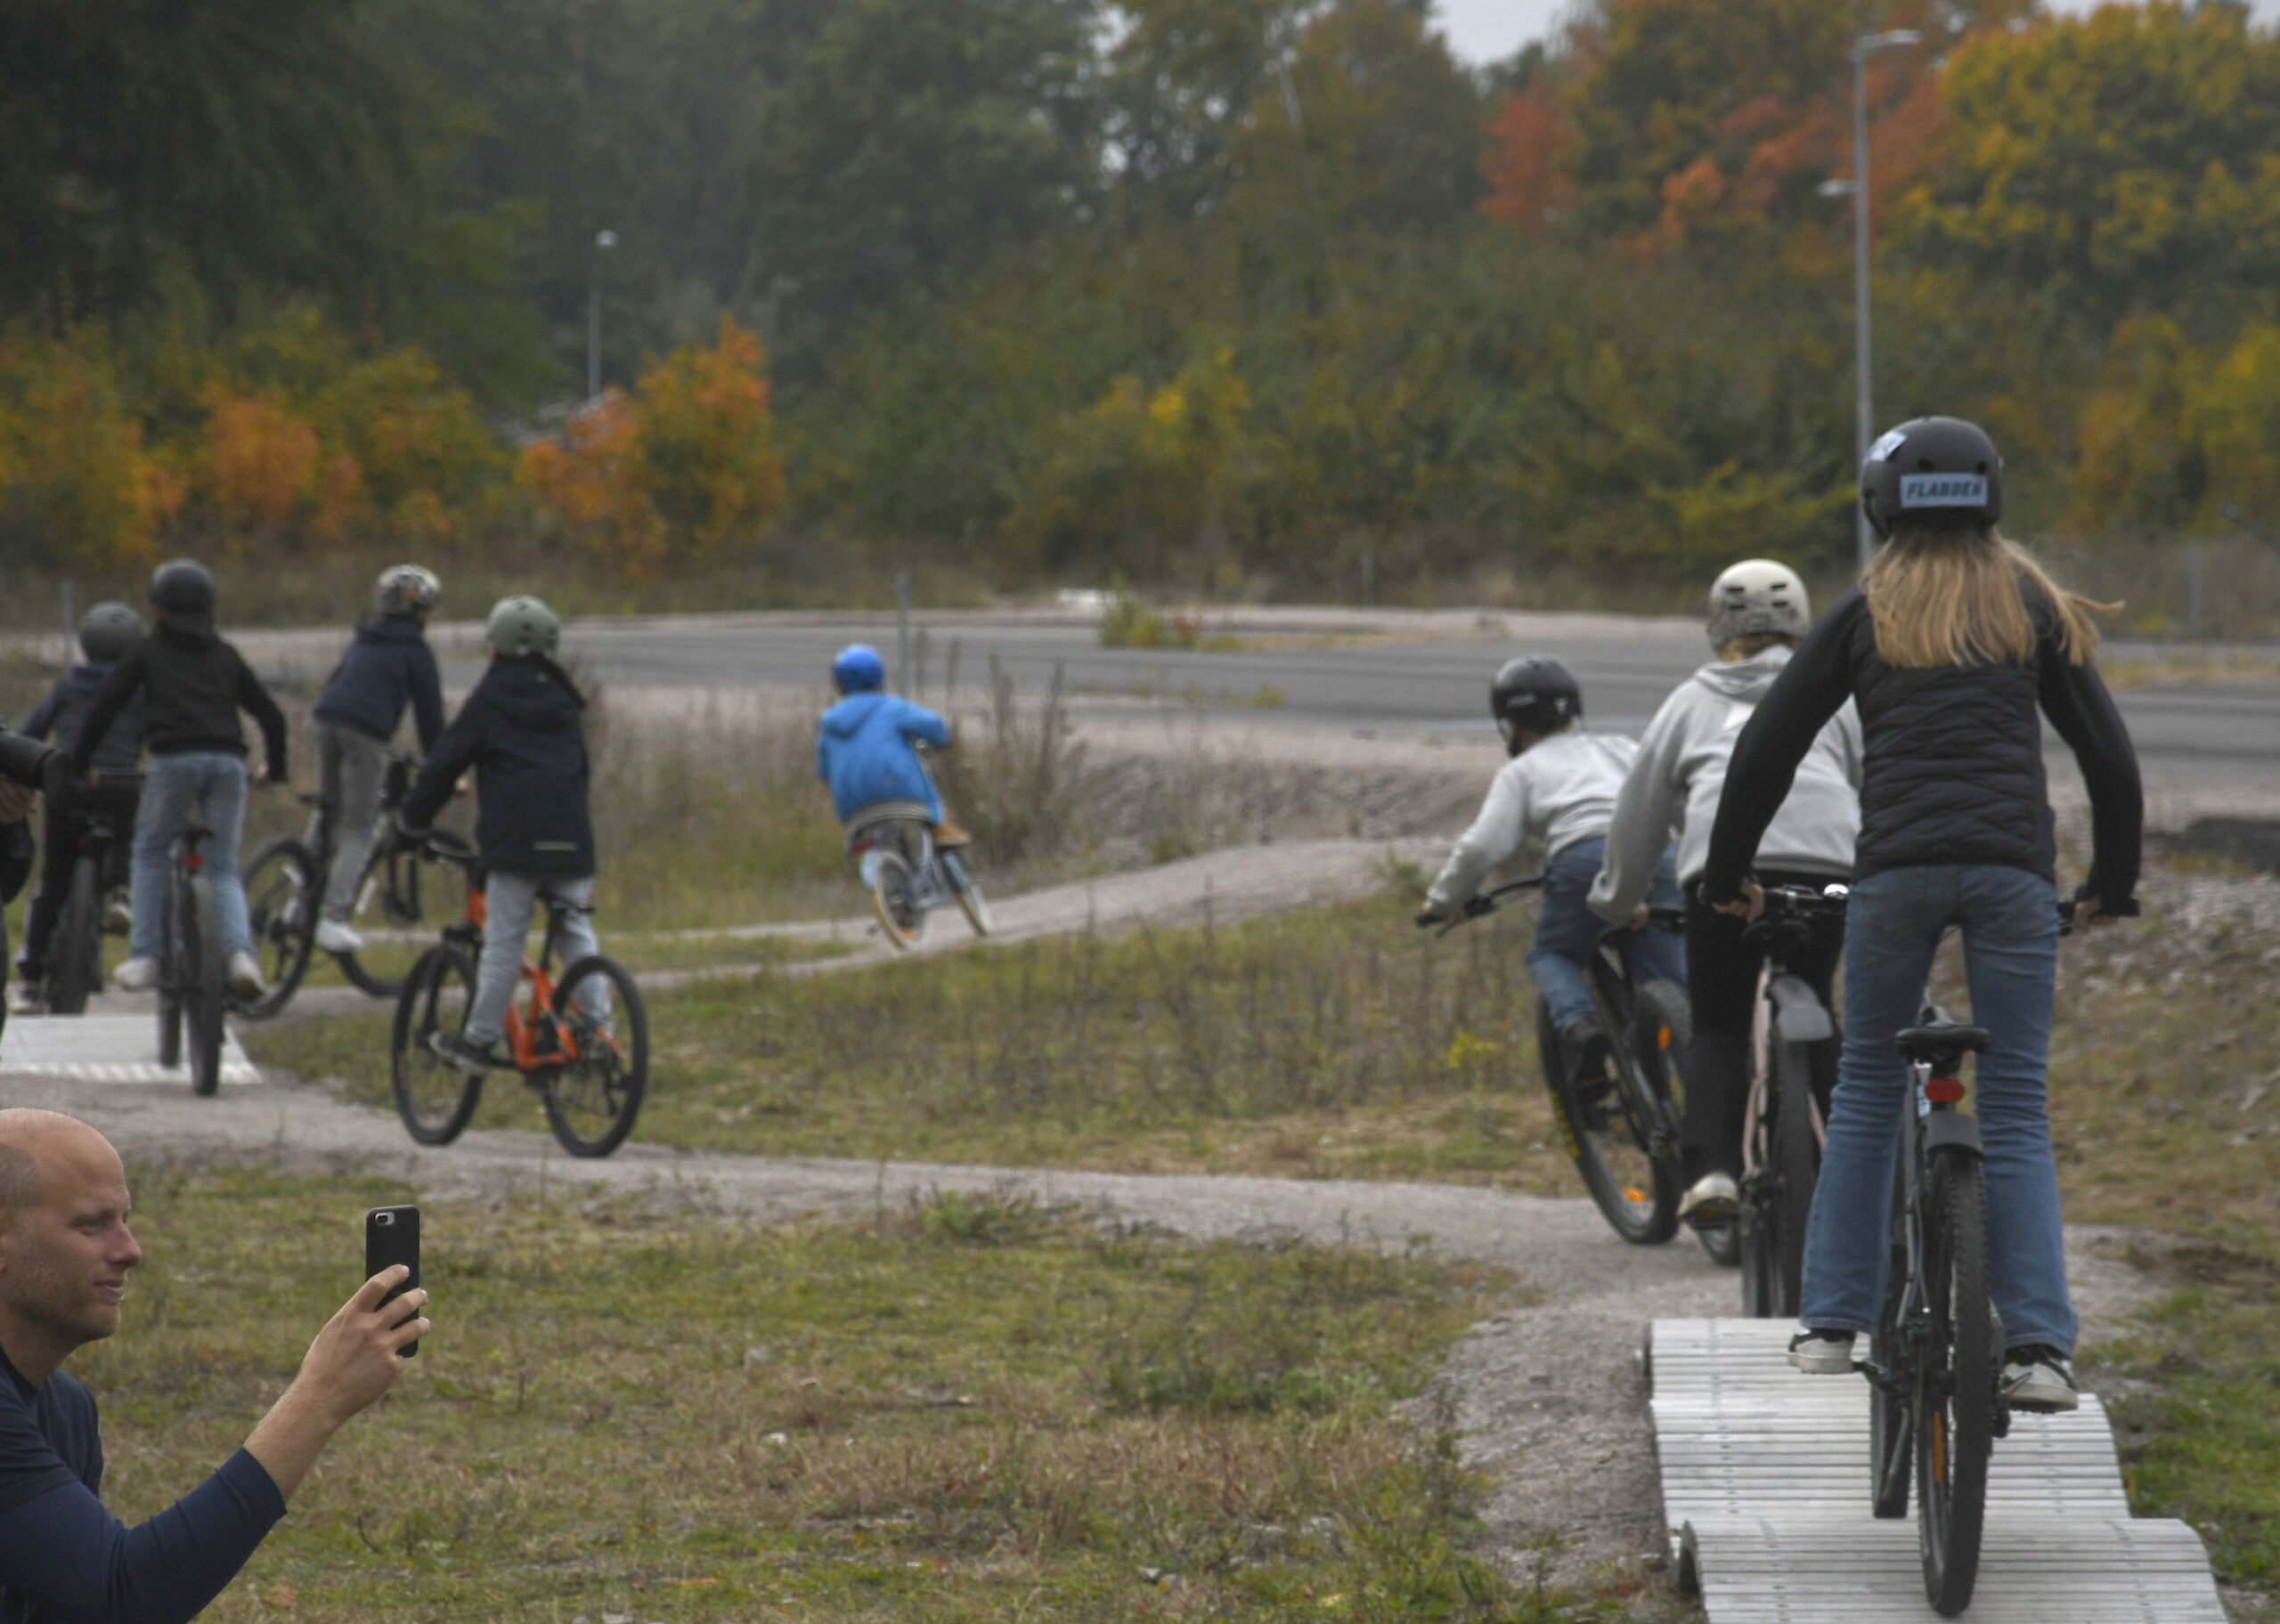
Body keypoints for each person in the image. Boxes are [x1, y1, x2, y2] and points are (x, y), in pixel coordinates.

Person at [1701, 416, 2141, 1413]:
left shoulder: (1867, 612)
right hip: (2012, 879)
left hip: (1895, 878)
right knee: (2016, 1105)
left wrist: (1729, 874)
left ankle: (1829, 1324)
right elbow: (2110, 763)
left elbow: (1765, 749)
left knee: (1863, 1089)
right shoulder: (2028, 607)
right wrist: (2111, 887)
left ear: (1879, 507)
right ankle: (2037, 1350)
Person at [0, 1107, 430, 1622]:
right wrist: (318, 1399)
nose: (131, 1251)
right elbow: (121, 1595)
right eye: (93, 1225)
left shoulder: (65, 1410)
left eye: (125, 1220)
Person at [1588, 561, 1862, 1224]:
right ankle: (1853, 1171)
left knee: (1717, 1024)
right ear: (1802, 622)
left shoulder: (1691, 700)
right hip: (1829, 861)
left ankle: (1710, 1173)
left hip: (1721, 870)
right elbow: (1872, 780)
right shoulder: (1839, 695)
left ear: (1717, 627)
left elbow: (1640, 811)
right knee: (1818, 1006)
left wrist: (1618, 899)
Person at [1415, 656, 1686, 1089]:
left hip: (1584, 860)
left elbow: (1483, 846)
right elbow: (1670, 798)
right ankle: (1714, 1126)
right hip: (1657, 854)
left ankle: (1582, 1027)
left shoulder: (1520, 772)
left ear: (1511, 725)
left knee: (1552, 954)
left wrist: (1442, 901)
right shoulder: (1619, 746)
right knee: (1676, 995)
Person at [397, 595, 604, 1074]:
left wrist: (413, 822)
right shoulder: (567, 701)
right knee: (577, 934)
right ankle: (601, 1032)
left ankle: (477, 1043)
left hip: (516, 844)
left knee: (504, 943)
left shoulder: (491, 699)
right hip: (573, 839)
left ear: (497, 647)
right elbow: (582, 772)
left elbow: (444, 764)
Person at [70, 561, 289, 1000]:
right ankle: (240, 956)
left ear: (156, 610)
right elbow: (271, 715)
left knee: (150, 852)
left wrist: (78, 762)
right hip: (227, 764)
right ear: (210, 610)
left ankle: (147, 955)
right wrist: (277, 768)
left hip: (173, 763)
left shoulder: (147, 652)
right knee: (222, 866)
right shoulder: (226, 655)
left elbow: (105, 707)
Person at [12, 604, 149, 1015]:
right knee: (126, 829)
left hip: (68, 786)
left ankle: (32, 979)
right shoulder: (141, 687)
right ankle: (121, 891)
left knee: (53, 881)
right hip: (121, 783)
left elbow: (34, 731)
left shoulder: (69, 685)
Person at [305, 565, 446, 955]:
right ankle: (332, 919)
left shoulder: (364, 638)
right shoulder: (415, 651)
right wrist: (444, 770)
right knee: (360, 828)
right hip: (365, 732)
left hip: (325, 720)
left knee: (327, 810)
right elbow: (431, 720)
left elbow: (339, 682)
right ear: (418, 611)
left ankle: (298, 903)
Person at [815, 644, 972, 849]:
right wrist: (943, 740)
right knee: (920, 775)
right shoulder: (889, 707)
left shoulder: (829, 724)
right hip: (900, 790)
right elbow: (934, 726)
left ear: (839, 682)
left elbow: (823, 772)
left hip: (851, 805)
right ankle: (939, 826)